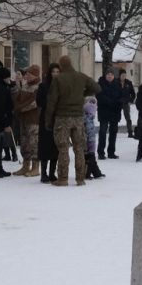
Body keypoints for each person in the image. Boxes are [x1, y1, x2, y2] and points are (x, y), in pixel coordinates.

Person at [44, 55, 98, 187]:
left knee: (63, 149)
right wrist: (82, 94)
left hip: (62, 118)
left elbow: (52, 102)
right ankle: (80, 178)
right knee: (79, 148)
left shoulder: (58, 79)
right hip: (78, 118)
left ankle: (63, 178)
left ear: (61, 65)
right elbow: (97, 88)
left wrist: (48, 120)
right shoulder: (81, 76)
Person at [12, 65, 41, 177]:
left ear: (35, 75)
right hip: (23, 119)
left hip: (33, 119)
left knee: (34, 143)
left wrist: (20, 108)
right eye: (26, 74)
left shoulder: (39, 87)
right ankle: (25, 166)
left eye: (29, 74)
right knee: (24, 143)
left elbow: (35, 103)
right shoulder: (25, 86)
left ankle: (35, 167)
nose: (26, 76)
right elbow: (18, 99)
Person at [35, 64, 60, 182]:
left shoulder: (62, 85)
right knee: (45, 146)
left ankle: (52, 173)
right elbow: (39, 101)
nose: (55, 73)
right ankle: (43, 173)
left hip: (58, 118)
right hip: (45, 118)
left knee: (56, 146)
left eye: (57, 71)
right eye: (53, 71)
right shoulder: (43, 86)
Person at [96, 69, 125, 159]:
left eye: (111, 74)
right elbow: (99, 96)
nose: (109, 76)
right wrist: (109, 102)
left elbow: (122, 95)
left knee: (113, 133)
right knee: (103, 132)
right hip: (104, 111)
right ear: (105, 75)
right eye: (108, 74)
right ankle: (101, 152)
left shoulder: (117, 84)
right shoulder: (100, 84)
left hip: (115, 112)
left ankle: (111, 152)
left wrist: (119, 102)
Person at [82, 96, 105, 179]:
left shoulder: (87, 116)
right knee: (90, 157)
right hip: (89, 140)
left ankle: (96, 172)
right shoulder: (88, 118)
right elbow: (89, 131)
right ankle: (87, 173)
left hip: (89, 139)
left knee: (91, 157)